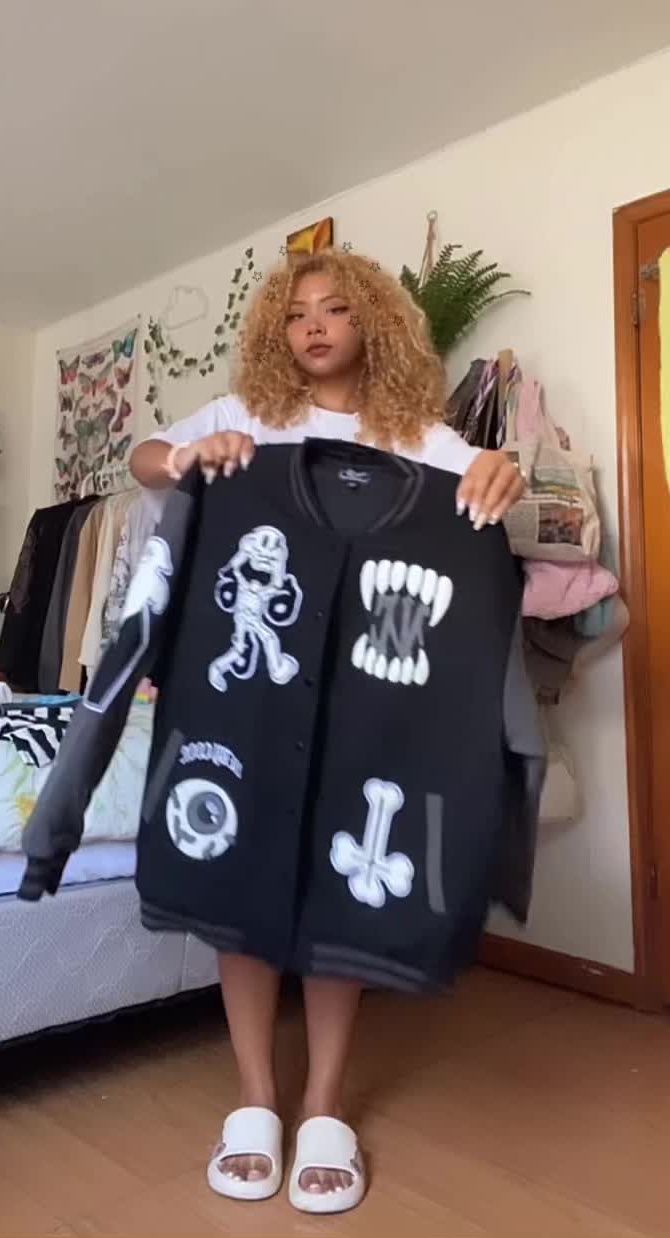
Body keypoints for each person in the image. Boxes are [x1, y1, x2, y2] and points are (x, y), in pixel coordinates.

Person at [129, 248, 526, 1214]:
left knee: (342, 889)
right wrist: (184, 459)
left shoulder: (418, 438)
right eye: (296, 312)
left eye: (336, 308)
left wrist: (499, 471)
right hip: (252, 705)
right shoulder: (244, 418)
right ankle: (254, 1098)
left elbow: (480, 501)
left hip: (365, 707)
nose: (313, 324)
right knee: (240, 880)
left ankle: (323, 1107)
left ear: (372, 324)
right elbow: (147, 458)